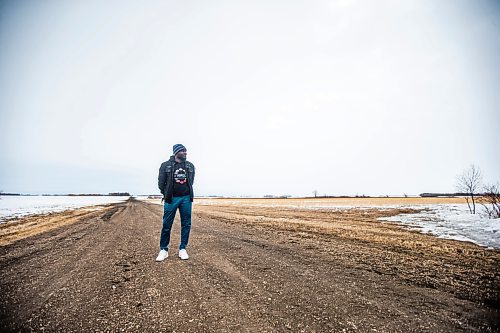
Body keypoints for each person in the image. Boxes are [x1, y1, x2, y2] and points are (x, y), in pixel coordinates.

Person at [156, 144, 195, 261]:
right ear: (176, 152)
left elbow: (191, 181)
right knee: (167, 224)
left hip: (186, 198)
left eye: (185, 151)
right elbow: (161, 183)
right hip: (171, 199)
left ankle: (183, 248)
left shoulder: (190, 166)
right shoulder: (165, 165)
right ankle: (164, 250)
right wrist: (167, 193)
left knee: (186, 224)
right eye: (183, 151)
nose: (185, 153)